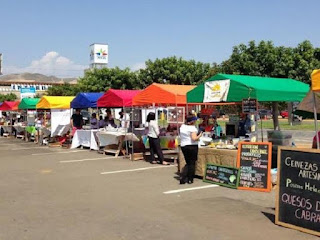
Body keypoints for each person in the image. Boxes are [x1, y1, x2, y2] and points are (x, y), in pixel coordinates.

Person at [179, 115, 203, 184]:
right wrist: (200, 134)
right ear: (192, 121)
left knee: (188, 162)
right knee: (192, 163)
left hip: (184, 145)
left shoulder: (182, 127)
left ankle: (183, 177)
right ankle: (189, 179)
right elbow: (194, 138)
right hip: (192, 146)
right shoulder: (192, 128)